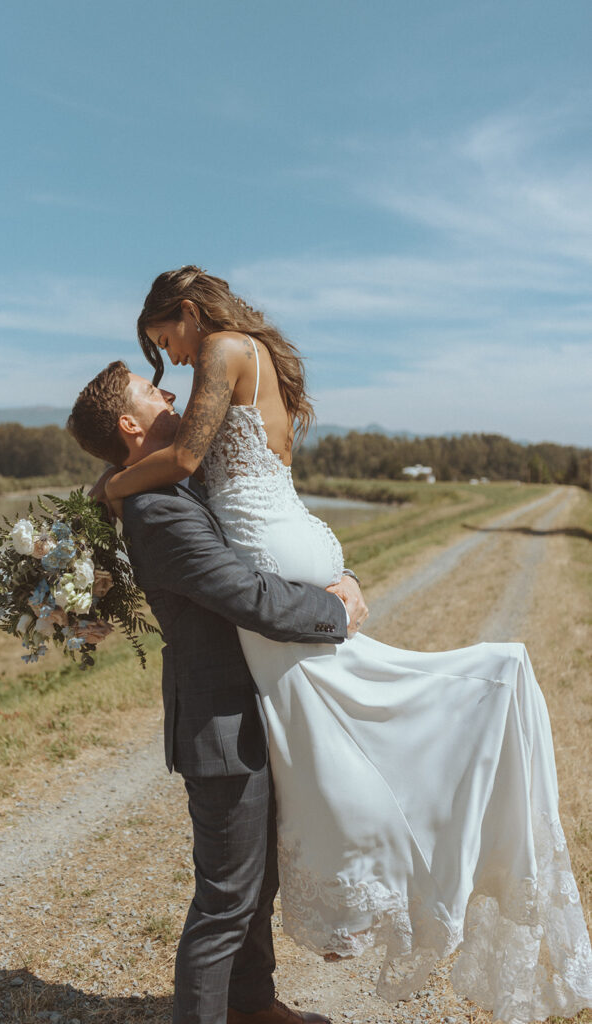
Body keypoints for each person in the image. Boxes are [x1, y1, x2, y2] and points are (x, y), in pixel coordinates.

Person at [98, 266, 592, 1024]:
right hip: (255, 635)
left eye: (171, 350)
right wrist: (331, 595)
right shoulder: (175, 481)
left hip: (272, 600)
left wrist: (109, 489)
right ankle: (323, 923)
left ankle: (268, 985)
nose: (176, 377)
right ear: (130, 430)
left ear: (190, 316)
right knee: (276, 826)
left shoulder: (214, 377)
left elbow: (200, 468)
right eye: (157, 376)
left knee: (301, 798)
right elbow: (238, 569)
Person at [67, 362, 367, 1024]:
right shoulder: (154, 510)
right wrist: (333, 611)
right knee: (224, 900)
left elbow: (262, 536)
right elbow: (242, 594)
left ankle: (251, 1006)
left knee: (254, 884)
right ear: (129, 423)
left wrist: (332, 568)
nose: (171, 392)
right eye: (154, 392)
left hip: (258, 703)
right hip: (221, 722)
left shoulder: (169, 482)